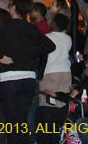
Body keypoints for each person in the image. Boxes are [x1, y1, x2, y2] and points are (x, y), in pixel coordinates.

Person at [0, 0, 55, 144]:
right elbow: (50, 46)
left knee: (12, 121)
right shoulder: (31, 29)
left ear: (13, 8)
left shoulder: (6, 28)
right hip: (28, 78)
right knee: (22, 120)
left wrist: (0, 57)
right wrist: (32, 53)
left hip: (9, 78)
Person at [36, 14, 72, 144]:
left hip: (51, 72)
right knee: (61, 103)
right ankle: (60, 135)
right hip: (66, 72)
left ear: (55, 23)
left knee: (47, 104)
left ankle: (47, 137)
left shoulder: (47, 37)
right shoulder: (68, 38)